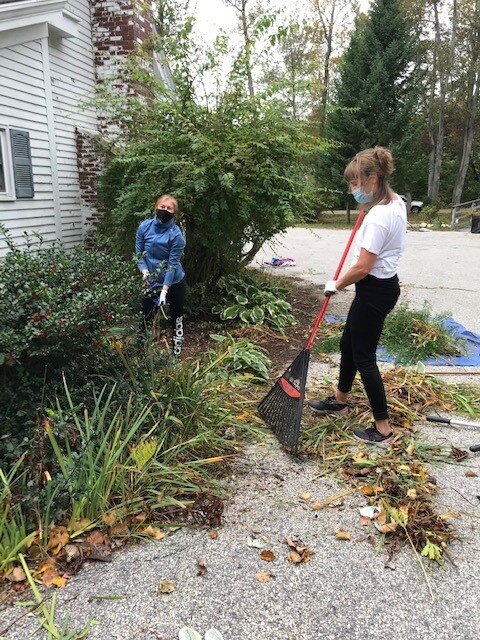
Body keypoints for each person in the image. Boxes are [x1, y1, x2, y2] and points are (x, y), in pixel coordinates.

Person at [309, 146, 407, 444]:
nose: (353, 190)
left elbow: (363, 266)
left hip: (375, 290)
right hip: (381, 287)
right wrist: (367, 210)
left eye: (355, 184)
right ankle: (340, 398)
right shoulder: (395, 203)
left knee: (364, 357)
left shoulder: (378, 216)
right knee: (347, 342)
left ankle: (383, 429)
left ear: (373, 178)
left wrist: (335, 284)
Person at [135, 194, 186, 356]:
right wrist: (144, 271)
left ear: (174, 213)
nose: (165, 210)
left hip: (174, 282)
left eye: (169, 208)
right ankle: (139, 352)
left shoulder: (176, 235)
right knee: (145, 316)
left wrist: (165, 290)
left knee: (176, 318)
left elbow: (172, 265)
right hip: (151, 280)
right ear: (156, 208)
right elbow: (138, 253)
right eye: (162, 207)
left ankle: (176, 354)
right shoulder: (145, 227)